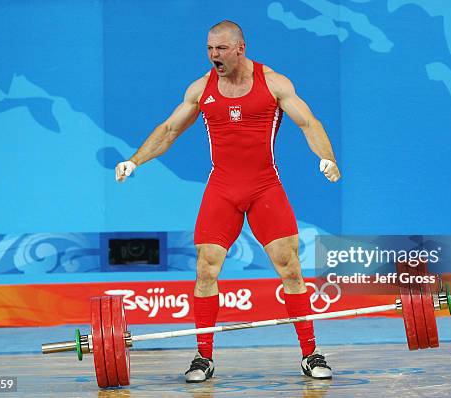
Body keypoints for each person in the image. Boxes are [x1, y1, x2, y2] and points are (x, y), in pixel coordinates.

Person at [115, 20, 341, 383]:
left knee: (291, 269)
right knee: (206, 268)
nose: (213, 56)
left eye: (220, 49)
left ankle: (310, 353)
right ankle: (203, 357)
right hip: (222, 188)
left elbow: (309, 123)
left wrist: (326, 158)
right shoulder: (201, 89)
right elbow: (169, 129)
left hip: (265, 186)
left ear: (240, 48)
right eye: (208, 49)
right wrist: (134, 160)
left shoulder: (274, 83)